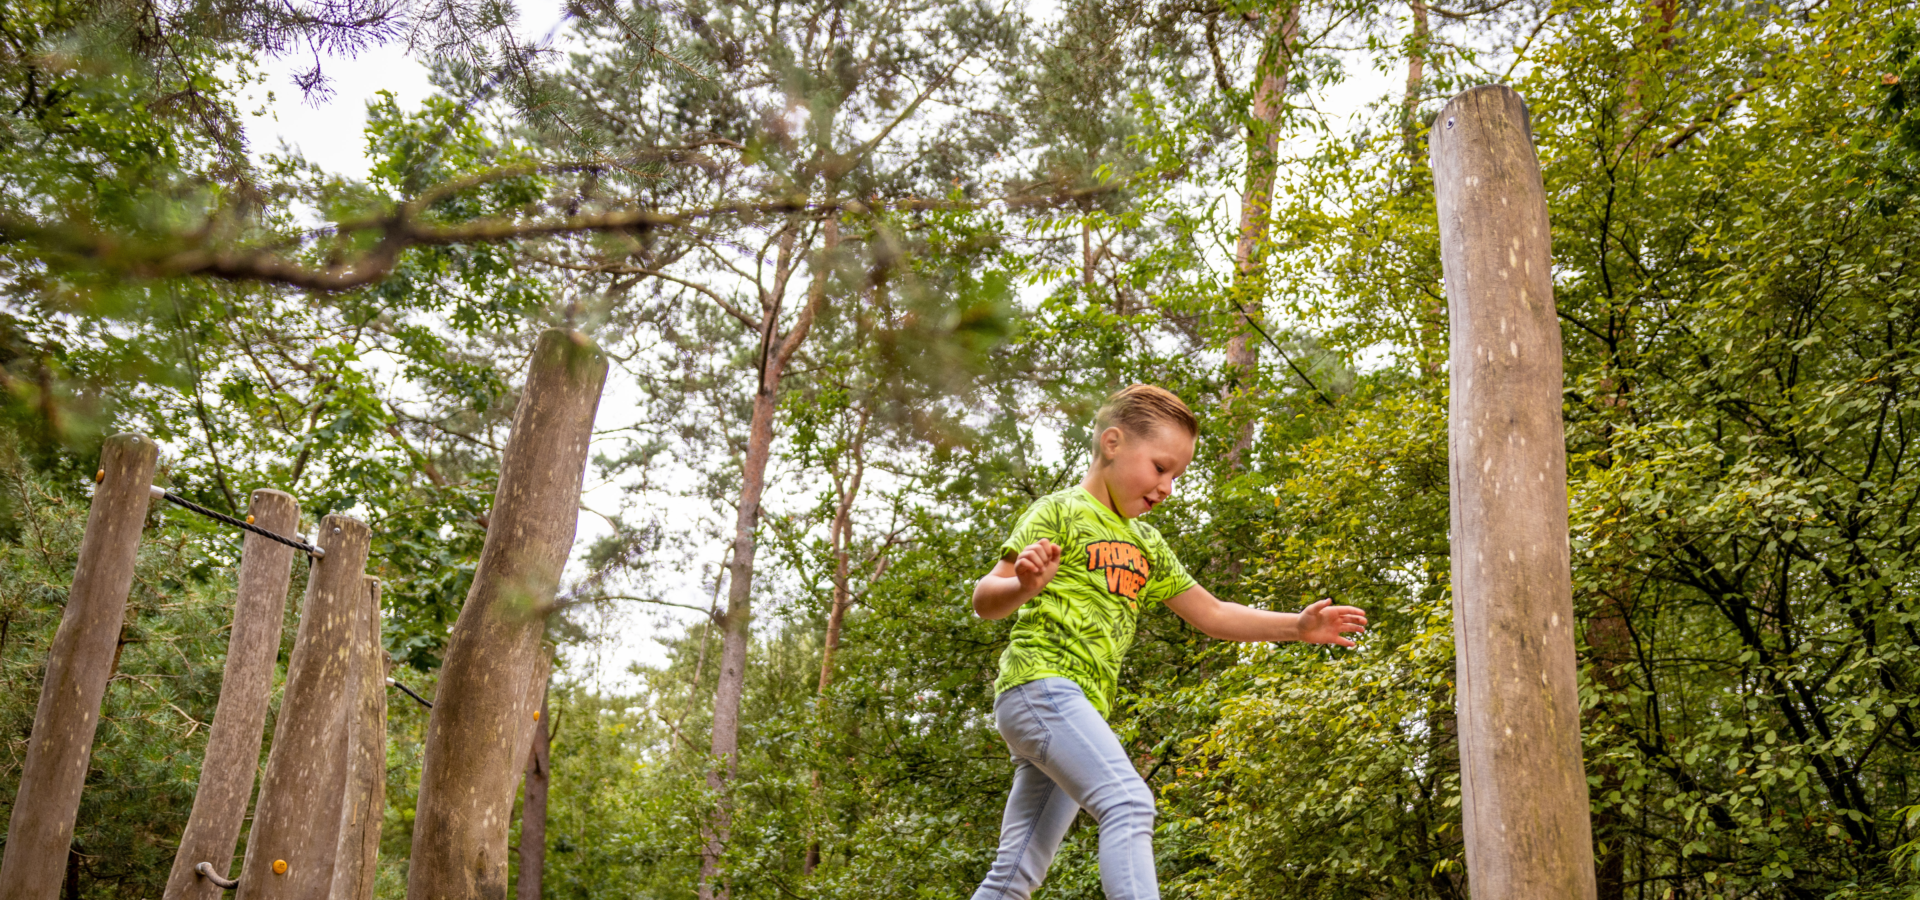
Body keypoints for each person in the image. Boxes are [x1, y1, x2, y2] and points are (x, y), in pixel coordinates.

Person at [968, 384, 1369, 900]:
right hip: (1040, 687)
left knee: (1015, 873)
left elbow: (1214, 613)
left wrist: (1297, 626)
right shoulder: (1060, 512)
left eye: (1178, 475)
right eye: (1160, 468)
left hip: (1071, 708)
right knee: (1129, 803)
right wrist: (1024, 585)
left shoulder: (1146, 543)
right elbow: (984, 598)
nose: (1168, 487)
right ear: (1112, 443)